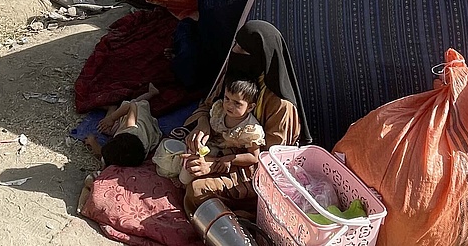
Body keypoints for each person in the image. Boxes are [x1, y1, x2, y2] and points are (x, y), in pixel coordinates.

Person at [182, 20, 306, 213]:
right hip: (220, 148)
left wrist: (215, 165)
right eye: (236, 45)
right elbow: (208, 105)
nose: (235, 52)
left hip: (250, 169)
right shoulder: (235, 76)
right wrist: (203, 124)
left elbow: (269, 163)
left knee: (196, 190)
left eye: (243, 50)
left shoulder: (281, 107)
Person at [180, 79, 265, 185]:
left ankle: (187, 181)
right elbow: (207, 119)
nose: (229, 105)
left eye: (237, 103)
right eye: (227, 98)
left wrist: (229, 159)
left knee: (195, 167)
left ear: (250, 107)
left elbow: (254, 156)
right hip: (211, 145)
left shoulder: (251, 129)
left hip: (226, 154)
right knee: (188, 152)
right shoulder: (219, 109)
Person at [85, 83, 162, 168]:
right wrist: (111, 118)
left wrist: (92, 142)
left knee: (105, 128)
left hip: (144, 124)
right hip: (139, 116)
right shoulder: (131, 128)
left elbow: (102, 154)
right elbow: (131, 106)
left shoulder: (122, 159)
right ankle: (150, 93)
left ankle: (113, 108)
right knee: (134, 103)